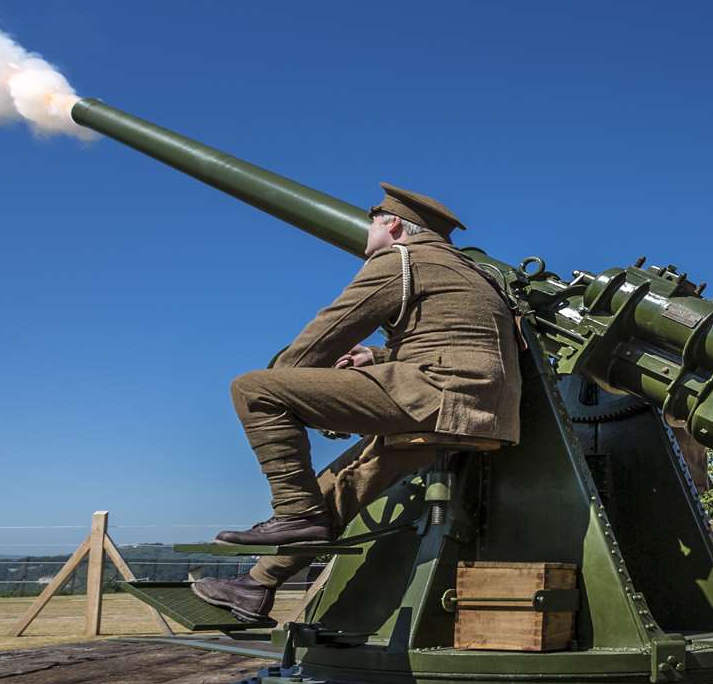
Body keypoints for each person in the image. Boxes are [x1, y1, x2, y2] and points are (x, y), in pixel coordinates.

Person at [192, 185, 522, 623]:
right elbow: (466, 343)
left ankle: (292, 513)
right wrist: (379, 357)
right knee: (344, 483)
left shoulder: (399, 261)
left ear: (395, 225)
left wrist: (295, 383)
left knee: (253, 389)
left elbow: (326, 334)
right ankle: (256, 586)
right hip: (481, 410)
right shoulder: (473, 273)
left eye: (373, 222)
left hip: (435, 393)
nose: (367, 231)